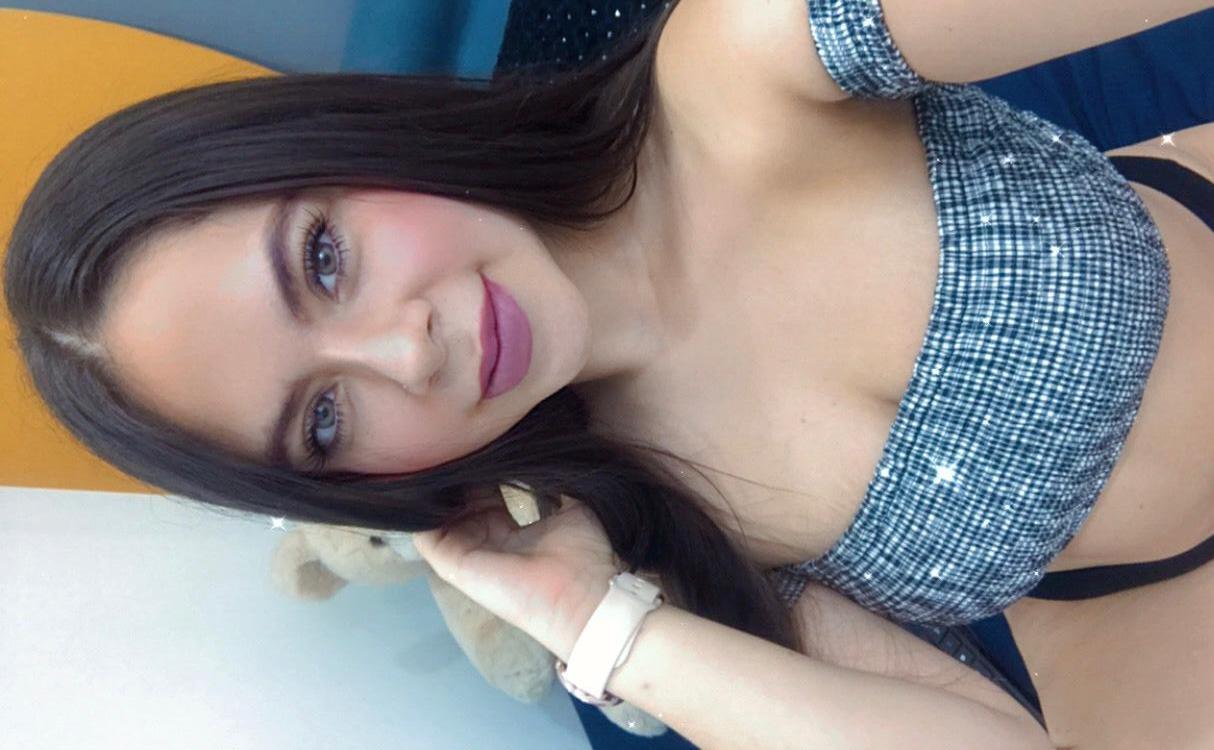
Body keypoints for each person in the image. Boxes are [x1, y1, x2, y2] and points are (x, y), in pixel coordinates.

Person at [6, 0, 1214, 746]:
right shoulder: (648, 535)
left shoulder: (748, 62)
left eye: (324, 259)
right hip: (1148, 607)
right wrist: (601, 626)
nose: (404, 352)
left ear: (348, 146)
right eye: (323, 419)